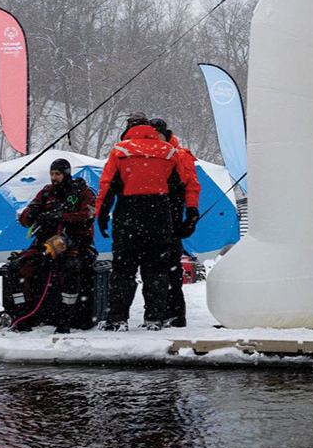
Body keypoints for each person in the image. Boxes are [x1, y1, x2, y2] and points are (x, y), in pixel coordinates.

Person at [96, 112, 196, 330]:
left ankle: (117, 319)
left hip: (128, 217)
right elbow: (180, 189)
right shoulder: (170, 152)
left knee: (123, 271)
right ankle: (154, 318)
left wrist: (101, 215)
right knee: (156, 272)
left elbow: (107, 187)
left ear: (128, 129)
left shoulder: (120, 151)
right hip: (160, 217)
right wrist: (186, 216)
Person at [13, 158, 97, 333]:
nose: (54, 178)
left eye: (57, 174)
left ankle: (66, 318)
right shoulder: (46, 193)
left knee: (70, 269)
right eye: (51, 174)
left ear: (66, 173)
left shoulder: (82, 192)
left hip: (75, 245)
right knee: (17, 267)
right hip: (46, 246)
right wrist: (32, 213)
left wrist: (62, 216)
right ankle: (23, 317)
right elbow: (25, 219)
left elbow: (89, 214)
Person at [151, 117, 201, 328]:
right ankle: (161, 311)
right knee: (157, 269)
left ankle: (175, 313)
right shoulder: (153, 155)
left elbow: (191, 186)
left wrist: (191, 212)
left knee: (170, 267)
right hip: (157, 216)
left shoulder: (179, 155)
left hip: (171, 218)